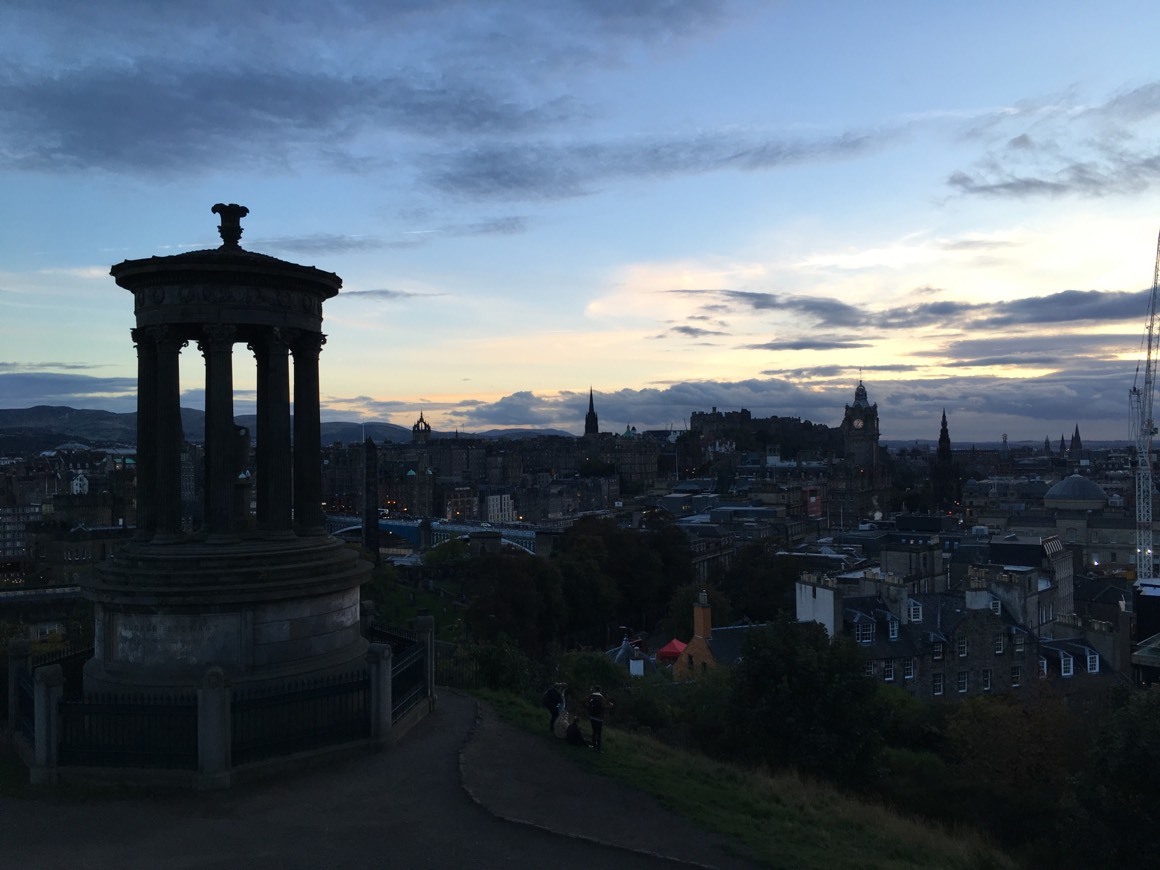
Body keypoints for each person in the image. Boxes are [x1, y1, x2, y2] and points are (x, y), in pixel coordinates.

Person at [586, 685, 610, 752]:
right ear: (600, 690)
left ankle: (594, 746)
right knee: (599, 733)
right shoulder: (601, 697)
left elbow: (583, 700)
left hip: (592, 717)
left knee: (594, 732)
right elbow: (604, 706)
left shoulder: (591, 696)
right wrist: (610, 705)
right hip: (599, 718)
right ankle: (598, 749)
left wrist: (587, 708)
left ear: (594, 690)